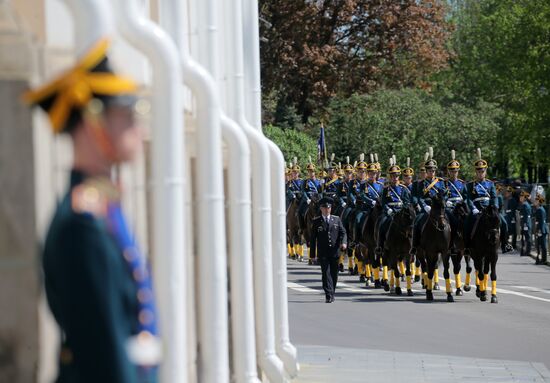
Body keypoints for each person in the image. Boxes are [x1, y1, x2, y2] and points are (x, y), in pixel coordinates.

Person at [23, 39, 160, 382]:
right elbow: (106, 352)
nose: (139, 130)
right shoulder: (83, 225)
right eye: (128, 115)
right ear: (93, 122)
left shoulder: (100, 211)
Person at [309, 197, 348, 303]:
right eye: (325, 208)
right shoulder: (317, 221)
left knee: (334, 274)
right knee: (326, 274)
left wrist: (344, 243)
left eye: (329, 208)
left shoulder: (336, 219)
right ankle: (328, 294)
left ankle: (332, 292)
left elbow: (343, 232)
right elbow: (313, 239)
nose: (327, 210)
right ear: (321, 209)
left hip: (335, 252)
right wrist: (312, 254)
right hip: (323, 252)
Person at [464, 149, 499, 254]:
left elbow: (494, 197)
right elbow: (468, 198)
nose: (480, 173)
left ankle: (505, 243)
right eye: (478, 171)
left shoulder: (490, 184)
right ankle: (467, 246)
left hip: (489, 210)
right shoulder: (470, 185)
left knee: (503, 222)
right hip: (477, 209)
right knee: (466, 223)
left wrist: (495, 207)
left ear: (486, 171)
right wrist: (473, 208)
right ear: (476, 172)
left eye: (482, 171)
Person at [376, 159, 411, 254]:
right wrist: (388, 210)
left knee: (411, 224)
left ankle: (413, 245)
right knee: (382, 224)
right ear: (389, 176)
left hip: (401, 211)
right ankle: (380, 245)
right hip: (390, 212)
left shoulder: (403, 188)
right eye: (392, 176)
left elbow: (407, 202)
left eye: (396, 176)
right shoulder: (386, 189)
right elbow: (383, 203)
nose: (394, 178)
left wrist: (404, 210)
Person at [534, 194, 548, 264]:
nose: (535, 201)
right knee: (540, 245)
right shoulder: (539, 209)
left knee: (543, 245)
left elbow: (542, 221)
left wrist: (540, 231)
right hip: (540, 229)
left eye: (536, 200)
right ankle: (540, 259)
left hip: (542, 229)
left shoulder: (540, 210)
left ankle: (544, 260)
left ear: (539, 202)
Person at [519, 190, 532, 257]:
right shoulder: (524, 204)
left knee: (527, 238)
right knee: (525, 238)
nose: (520, 198)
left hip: (526, 224)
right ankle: (525, 251)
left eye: (521, 196)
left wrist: (525, 225)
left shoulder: (525, 205)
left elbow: (526, 216)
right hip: (524, 223)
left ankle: (527, 251)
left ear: (524, 197)